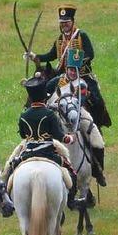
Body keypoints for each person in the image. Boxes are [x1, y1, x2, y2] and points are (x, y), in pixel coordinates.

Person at [24, 4, 111, 128]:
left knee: (97, 100)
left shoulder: (81, 36)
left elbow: (90, 54)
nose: (64, 24)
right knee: (45, 92)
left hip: (83, 75)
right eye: (62, 22)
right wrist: (35, 56)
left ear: (72, 21)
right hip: (64, 76)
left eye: (67, 22)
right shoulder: (60, 39)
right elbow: (51, 55)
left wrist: (76, 65)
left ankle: (96, 124)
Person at [15, 76, 83, 209]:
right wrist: (71, 138)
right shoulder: (50, 114)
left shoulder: (23, 116)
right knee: (72, 174)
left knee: (10, 170)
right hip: (48, 152)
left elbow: (23, 135)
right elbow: (60, 136)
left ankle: (8, 199)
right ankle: (71, 201)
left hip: (27, 153)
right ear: (44, 98)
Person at [46, 48, 107, 186]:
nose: (72, 72)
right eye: (70, 69)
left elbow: (81, 101)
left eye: (75, 70)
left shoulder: (82, 84)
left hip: (78, 113)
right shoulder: (56, 81)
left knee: (98, 142)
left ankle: (98, 171)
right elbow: (45, 93)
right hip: (57, 113)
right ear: (66, 68)